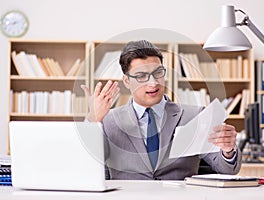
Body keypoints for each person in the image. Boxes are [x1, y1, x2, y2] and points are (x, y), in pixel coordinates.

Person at [81, 40, 242, 180]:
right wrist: (93, 121)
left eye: (158, 73)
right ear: (127, 81)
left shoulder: (195, 116)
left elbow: (227, 169)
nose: (153, 83)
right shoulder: (108, 121)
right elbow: (86, 168)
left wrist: (228, 150)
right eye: (141, 76)